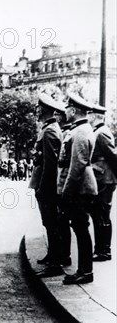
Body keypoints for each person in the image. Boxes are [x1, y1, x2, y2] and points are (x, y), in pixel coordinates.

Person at [58, 93, 98, 285]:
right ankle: (83, 269)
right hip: (81, 186)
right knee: (80, 228)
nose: (65, 112)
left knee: (81, 229)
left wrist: (66, 193)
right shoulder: (80, 129)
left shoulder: (80, 132)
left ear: (73, 111)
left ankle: (86, 271)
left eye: (67, 108)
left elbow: (77, 165)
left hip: (80, 188)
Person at [29, 93, 67, 277]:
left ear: (42, 109)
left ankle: (55, 264)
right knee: (49, 223)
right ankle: (53, 256)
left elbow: (50, 164)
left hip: (48, 186)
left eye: (37, 108)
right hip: (46, 184)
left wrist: (43, 188)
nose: (35, 110)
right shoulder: (49, 128)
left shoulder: (50, 130)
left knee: (51, 223)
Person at [89, 104, 117, 262]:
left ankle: (104, 250)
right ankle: (100, 249)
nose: (88, 118)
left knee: (102, 215)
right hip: (101, 178)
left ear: (94, 116)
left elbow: (112, 156)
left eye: (90, 115)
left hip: (105, 179)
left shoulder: (101, 133)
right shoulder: (98, 131)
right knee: (99, 214)